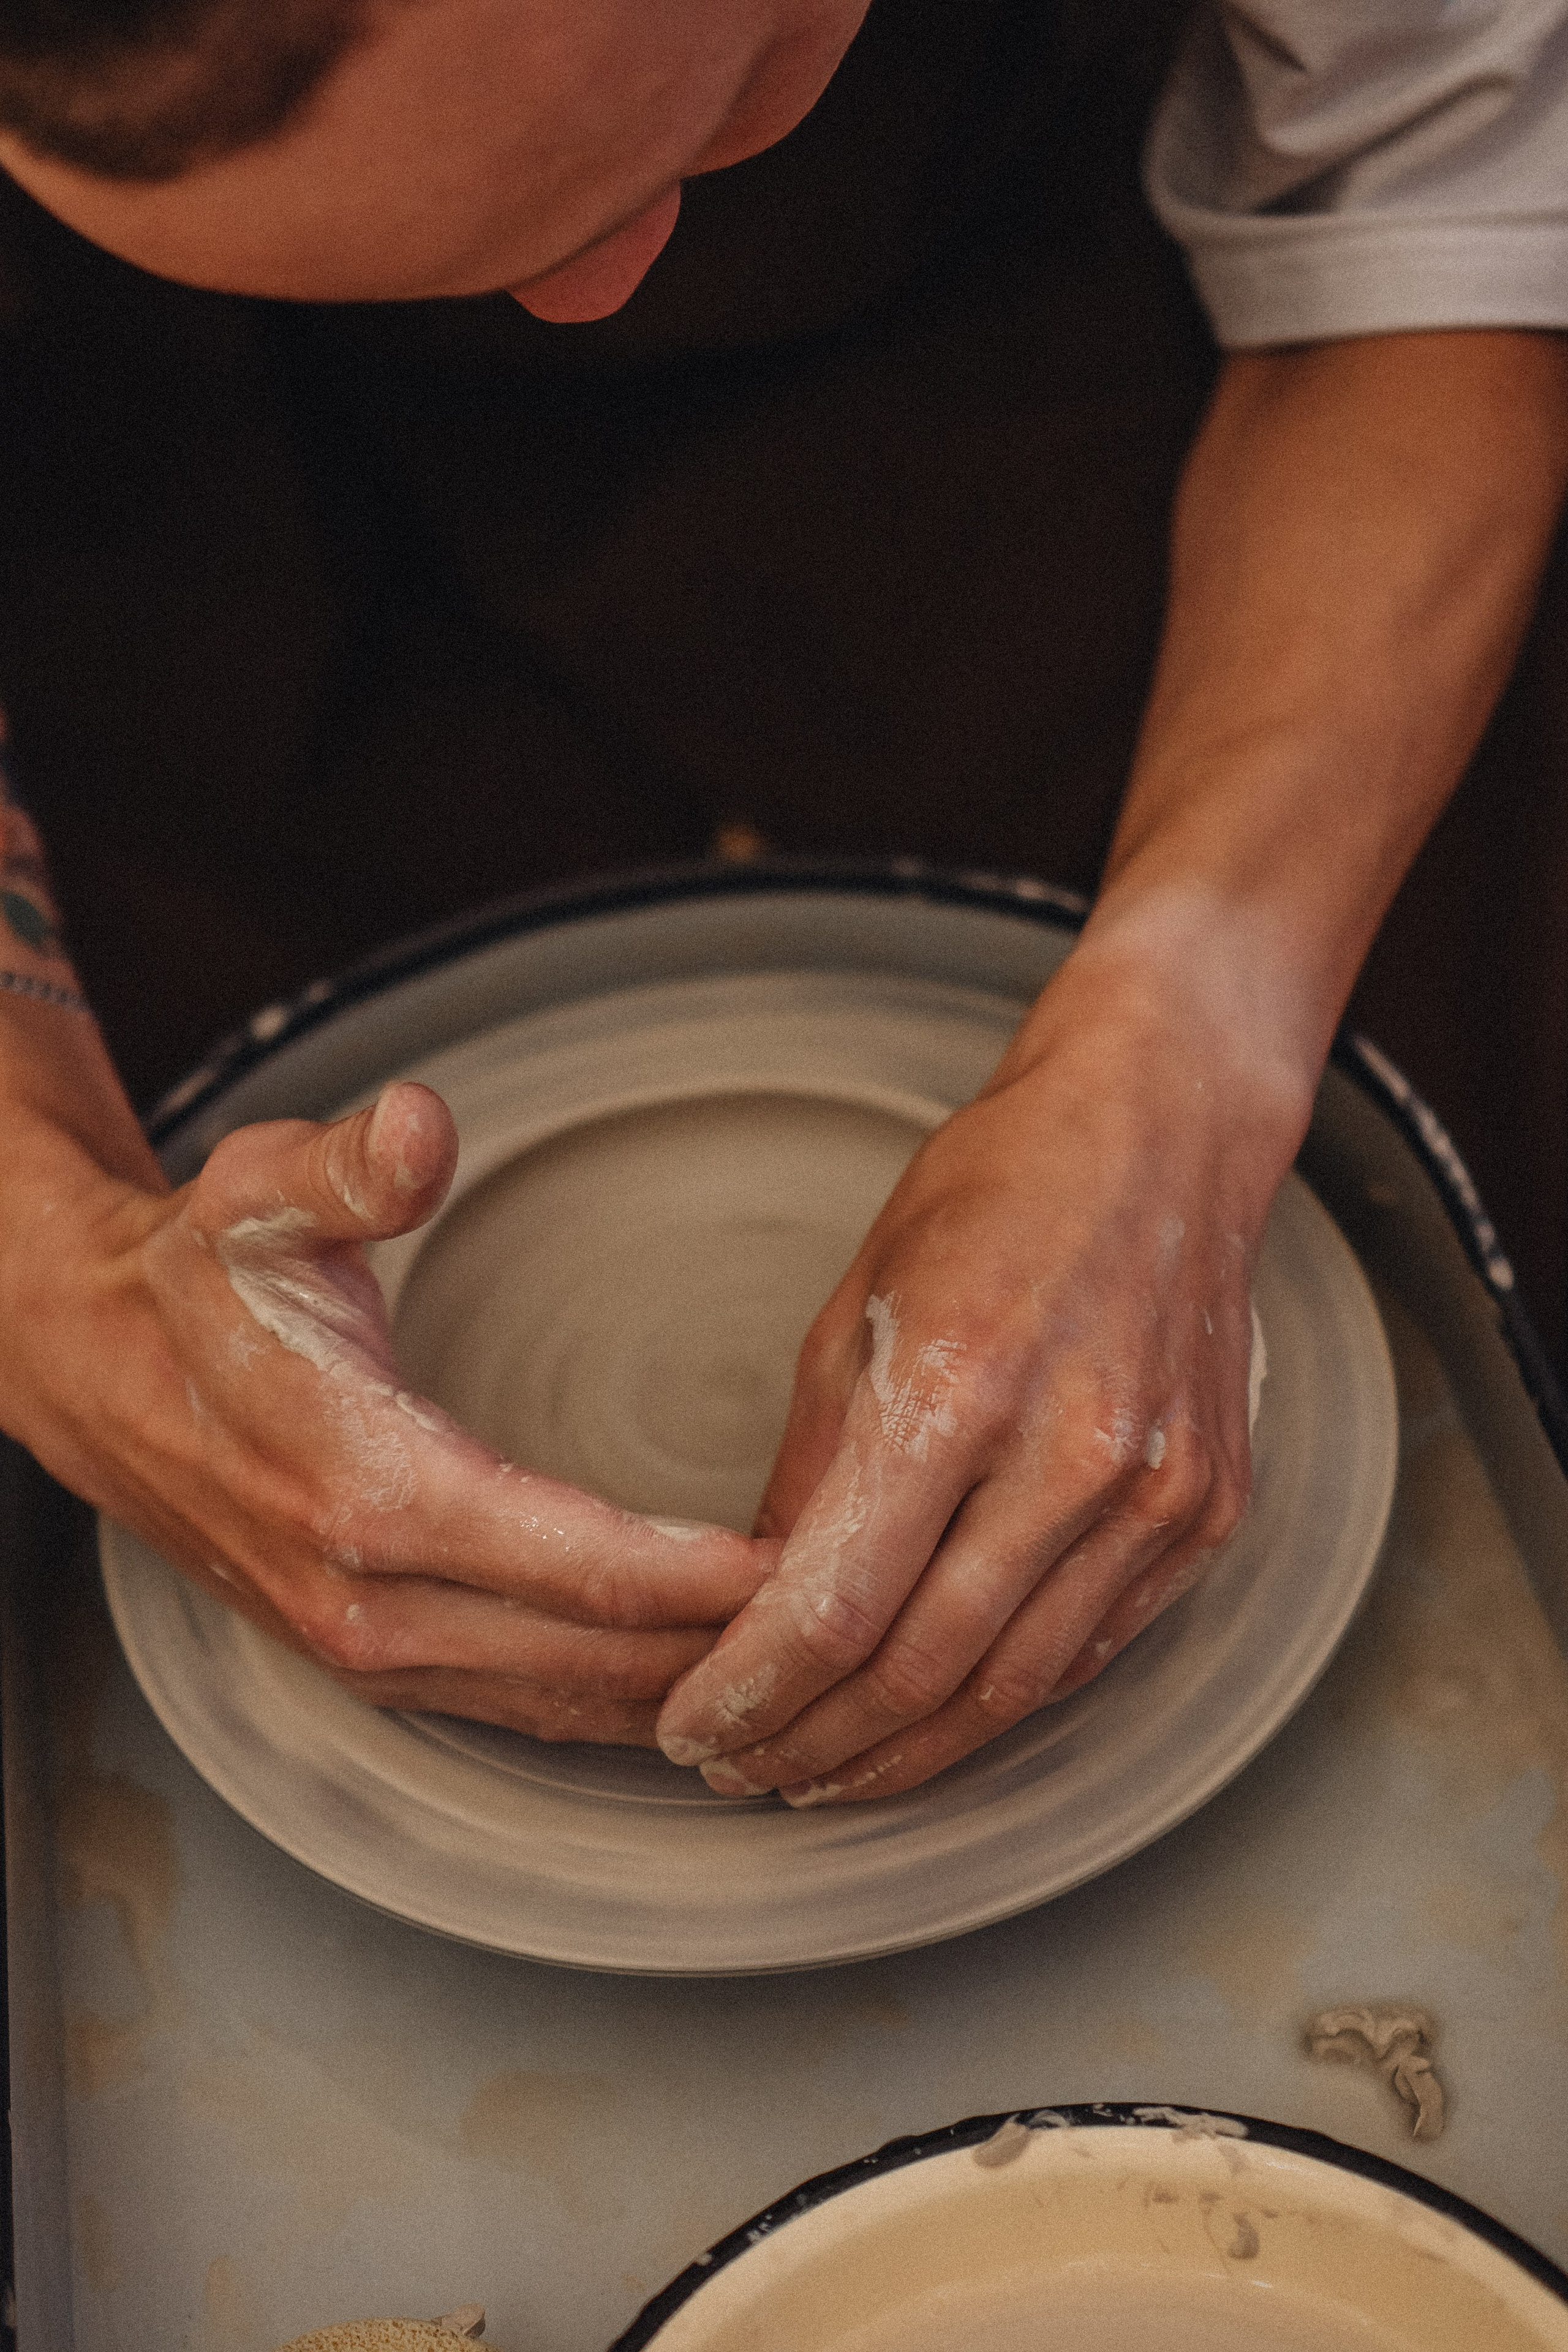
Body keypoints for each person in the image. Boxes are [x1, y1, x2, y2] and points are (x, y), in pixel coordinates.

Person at [0, 0, 1564, 1805]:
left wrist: (1189, 1046)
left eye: (714, 105)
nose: (591, 296)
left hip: (1006, 256)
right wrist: (52, 1262)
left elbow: (1422, 222)